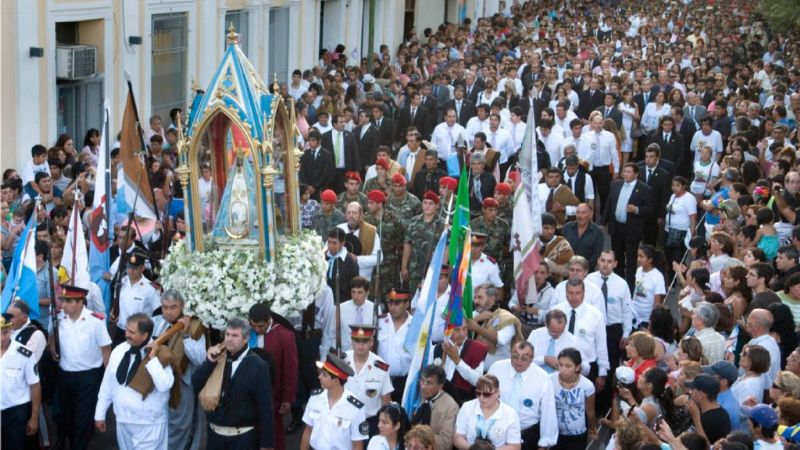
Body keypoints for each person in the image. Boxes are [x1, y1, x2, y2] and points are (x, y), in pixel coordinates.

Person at [95, 312, 175, 450]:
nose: (126, 334)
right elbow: (107, 384)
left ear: (144, 335)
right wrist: (100, 413)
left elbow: (165, 385)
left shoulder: (161, 353)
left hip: (150, 424)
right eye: (127, 330)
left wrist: (152, 359)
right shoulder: (119, 350)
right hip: (123, 420)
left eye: (132, 332)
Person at [192, 318, 274, 450]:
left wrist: (267, 445)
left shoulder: (258, 365)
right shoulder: (216, 358)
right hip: (215, 438)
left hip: (243, 439)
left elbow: (266, 407)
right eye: (227, 334)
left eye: (235, 335)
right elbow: (195, 385)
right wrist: (209, 362)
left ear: (246, 339)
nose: (229, 339)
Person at [53, 285, 112, 450]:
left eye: (68, 301)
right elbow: (51, 336)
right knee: (66, 417)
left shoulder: (95, 321)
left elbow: (106, 349)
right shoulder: (59, 318)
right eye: (63, 300)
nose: (63, 305)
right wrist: (52, 348)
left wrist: (109, 379)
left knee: (82, 420)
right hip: (65, 376)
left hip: (87, 377)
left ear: (80, 302)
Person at [488, 341, 559, 449]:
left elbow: (548, 412)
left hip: (527, 433)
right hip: (496, 430)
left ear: (532, 359)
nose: (519, 361)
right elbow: (483, 397)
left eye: (524, 358)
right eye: (515, 356)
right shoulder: (496, 368)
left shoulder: (543, 377)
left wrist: (545, 443)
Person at [247, 302, 298, 450]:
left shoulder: (285, 336)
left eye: (260, 326)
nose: (257, 330)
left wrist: (287, 399)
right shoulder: (247, 333)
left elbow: (290, 369)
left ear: (269, 320)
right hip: (249, 394)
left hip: (273, 394)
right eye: (253, 326)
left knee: (273, 435)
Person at [300, 352, 368, 450]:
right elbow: (308, 431)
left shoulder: (355, 408)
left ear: (336, 381)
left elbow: (357, 445)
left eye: (324, 375)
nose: (319, 377)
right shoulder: (315, 398)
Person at [602, 163, 655, 290]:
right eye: (624, 171)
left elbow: (651, 208)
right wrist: (603, 222)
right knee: (617, 257)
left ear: (636, 174)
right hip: (616, 227)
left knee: (631, 259)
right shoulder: (616, 185)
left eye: (629, 172)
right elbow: (609, 203)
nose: (625, 174)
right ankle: (617, 283)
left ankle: (630, 286)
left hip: (632, 229)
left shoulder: (644, 189)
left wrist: (636, 209)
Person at [552, 279, 609, 392]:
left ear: (584, 293)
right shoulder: (555, 312)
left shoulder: (595, 314)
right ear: (565, 293)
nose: (574, 296)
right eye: (570, 293)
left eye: (577, 293)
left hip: (586, 366)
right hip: (559, 366)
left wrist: (602, 373)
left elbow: (601, 344)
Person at [0, 313, 41, 450]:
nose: (2, 338)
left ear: (11, 330)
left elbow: (35, 385)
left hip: (16, 413)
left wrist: (34, 417)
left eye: (5, 332)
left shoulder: (24, 354)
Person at [344, 324, 393, 436]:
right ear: (351, 341)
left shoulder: (381, 366)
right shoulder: (342, 361)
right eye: (357, 341)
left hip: (370, 423)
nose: (360, 346)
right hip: (344, 420)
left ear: (371, 342)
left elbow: (386, 400)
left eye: (365, 341)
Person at [453, 374, 522, 449]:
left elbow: (515, 446)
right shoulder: (467, 407)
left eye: (487, 394)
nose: (481, 397)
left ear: (497, 393)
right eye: (478, 393)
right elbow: (457, 437)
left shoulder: (510, 414)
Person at [112, 249, 161, 345]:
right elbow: (116, 301)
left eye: (135, 268)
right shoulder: (121, 283)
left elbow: (158, 313)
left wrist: (153, 336)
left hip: (139, 334)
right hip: (121, 330)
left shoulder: (150, 289)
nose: (131, 271)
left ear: (142, 268)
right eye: (129, 267)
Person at [469, 283, 522, 371]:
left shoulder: (506, 317)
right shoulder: (475, 315)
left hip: (499, 371)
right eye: (475, 298)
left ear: (492, 298)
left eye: (480, 297)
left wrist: (476, 327)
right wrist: (477, 319)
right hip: (475, 369)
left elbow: (500, 340)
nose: (476, 301)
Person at [551, 348, 596, 450]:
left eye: (568, 366)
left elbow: (590, 411)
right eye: (560, 365)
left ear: (577, 367)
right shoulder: (550, 380)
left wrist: (592, 429)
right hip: (554, 433)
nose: (563, 369)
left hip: (577, 435)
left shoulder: (587, 385)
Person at [401, 191, 444, 293]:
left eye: (431, 203)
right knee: (413, 296)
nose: (427, 206)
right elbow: (408, 244)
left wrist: (442, 271)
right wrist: (404, 266)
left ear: (437, 206)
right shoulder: (414, 221)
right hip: (414, 268)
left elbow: (446, 249)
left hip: (432, 269)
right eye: (425, 203)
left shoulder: (442, 225)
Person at [409, 365, 459, 450]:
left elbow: (445, 442)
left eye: (429, 383)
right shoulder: (421, 396)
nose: (423, 387)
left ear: (440, 385)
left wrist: (419, 439)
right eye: (422, 381)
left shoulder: (451, 407)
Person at [378, 288, 413, 403]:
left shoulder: (415, 325)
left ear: (407, 304)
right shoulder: (379, 322)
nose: (392, 307)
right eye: (390, 303)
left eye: (397, 303)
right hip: (381, 379)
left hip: (405, 381)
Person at [528, 310, 588, 375]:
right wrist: (544, 359)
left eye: (561, 332)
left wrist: (569, 366)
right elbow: (524, 360)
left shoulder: (572, 341)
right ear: (546, 325)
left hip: (561, 379)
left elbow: (586, 368)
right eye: (554, 332)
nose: (558, 335)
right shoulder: (535, 335)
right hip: (534, 376)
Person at [337, 202, 381, 279]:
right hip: (341, 275)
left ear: (361, 215)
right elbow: (328, 251)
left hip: (362, 276)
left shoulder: (371, 232)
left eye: (354, 213)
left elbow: (379, 258)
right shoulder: (339, 229)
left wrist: (357, 259)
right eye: (348, 213)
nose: (351, 215)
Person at [684, 374, 731, 445]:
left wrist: (696, 418)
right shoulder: (700, 409)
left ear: (700, 394)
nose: (690, 392)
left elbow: (706, 447)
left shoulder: (718, 420)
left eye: (692, 389)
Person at [562, 203, 604, 272]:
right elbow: (561, 249)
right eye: (578, 212)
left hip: (586, 272)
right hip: (567, 271)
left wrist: (583, 268)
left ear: (590, 214)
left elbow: (596, 256)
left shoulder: (597, 232)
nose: (580, 216)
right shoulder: (567, 227)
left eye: (583, 213)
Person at [633, 244, 667, 330]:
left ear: (650, 259)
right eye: (638, 256)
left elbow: (657, 303)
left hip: (646, 318)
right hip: (634, 314)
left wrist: (652, 322)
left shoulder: (658, 276)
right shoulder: (639, 270)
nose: (638, 259)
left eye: (641, 256)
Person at [701, 361, 741, 432]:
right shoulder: (714, 394)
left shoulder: (727, 406)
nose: (707, 377)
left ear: (724, 382)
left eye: (711, 376)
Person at [326, 227, 360, 301]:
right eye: (329, 242)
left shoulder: (351, 263)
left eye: (334, 243)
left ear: (343, 243)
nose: (331, 246)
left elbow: (354, 288)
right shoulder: (323, 257)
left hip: (342, 303)